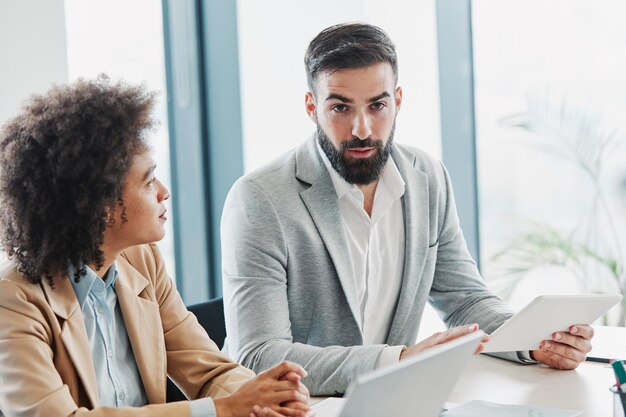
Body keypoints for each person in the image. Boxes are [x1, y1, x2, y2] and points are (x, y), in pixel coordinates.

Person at [220, 22, 594, 396]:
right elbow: (259, 356)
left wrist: (535, 342)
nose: (362, 129)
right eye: (340, 107)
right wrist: (397, 361)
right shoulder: (258, 199)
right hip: (295, 407)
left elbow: (465, 301)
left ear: (398, 100)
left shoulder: (427, 178)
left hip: (390, 403)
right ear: (311, 107)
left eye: (377, 105)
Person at [0, 77, 311, 417]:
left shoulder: (141, 260)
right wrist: (219, 410)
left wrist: (262, 397)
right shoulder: (13, 301)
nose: (164, 192)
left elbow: (210, 372)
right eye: (148, 182)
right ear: (99, 205)